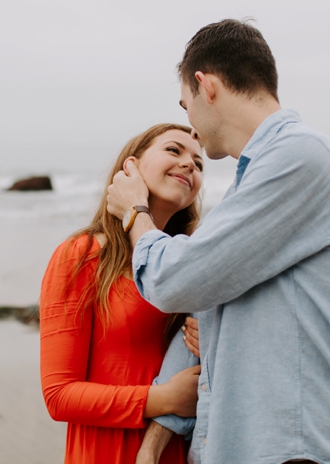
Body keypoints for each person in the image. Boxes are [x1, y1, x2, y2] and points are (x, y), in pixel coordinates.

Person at [111, 19, 330, 464]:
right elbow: (202, 308)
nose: (191, 125)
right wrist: (153, 447)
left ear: (205, 86)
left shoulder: (302, 157)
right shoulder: (255, 180)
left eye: (185, 104)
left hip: (291, 452)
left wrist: (136, 212)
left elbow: (177, 280)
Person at [39, 123, 206, 464]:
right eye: (174, 150)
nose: (190, 164)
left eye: (200, 163)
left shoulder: (193, 265)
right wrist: (165, 399)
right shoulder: (81, 255)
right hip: (106, 452)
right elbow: (59, 396)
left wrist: (217, 345)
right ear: (129, 168)